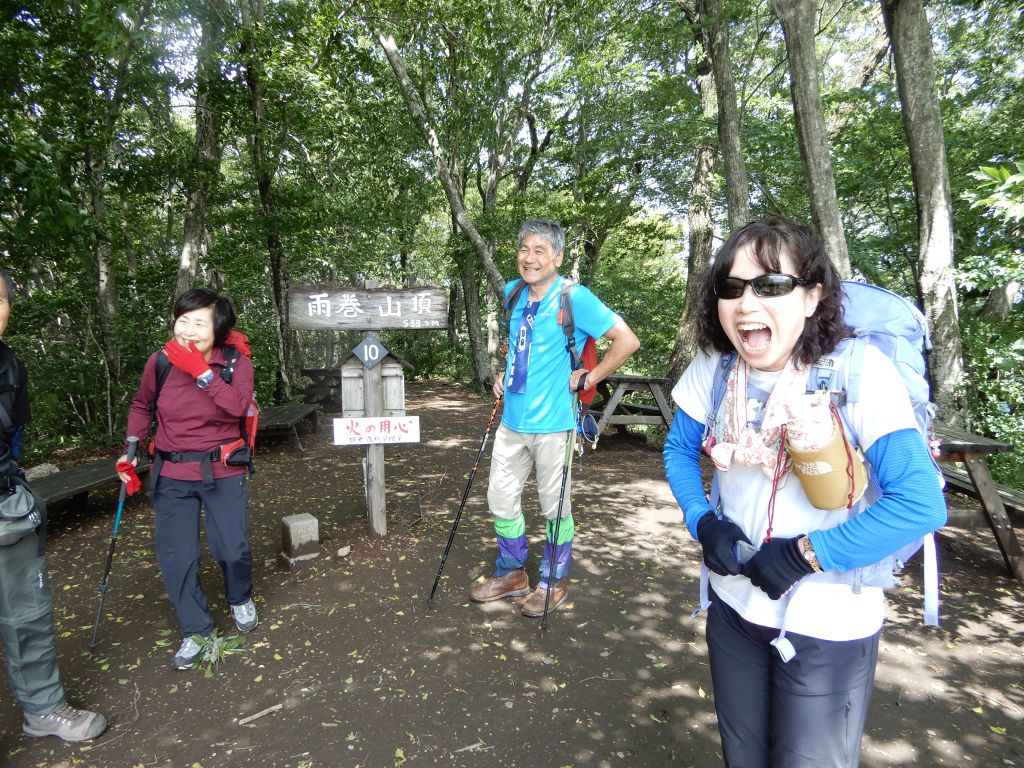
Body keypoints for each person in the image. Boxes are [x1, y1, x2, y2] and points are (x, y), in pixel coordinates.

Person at [663, 219, 947, 767]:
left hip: (830, 623)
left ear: (813, 295)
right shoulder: (716, 369)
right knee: (742, 757)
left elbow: (919, 502)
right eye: (732, 287)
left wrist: (803, 555)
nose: (747, 303)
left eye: (771, 285)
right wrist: (703, 521)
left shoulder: (860, 372)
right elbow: (679, 450)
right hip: (734, 606)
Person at [471, 219, 639, 616]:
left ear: (558, 257)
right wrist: (503, 373)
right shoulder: (513, 293)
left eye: (539, 251)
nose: (529, 258)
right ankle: (512, 572)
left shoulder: (574, 297)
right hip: (512, 421)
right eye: (524, 250)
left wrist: (591, 376)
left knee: (555, 507)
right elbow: (521, 348)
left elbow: (627, 340)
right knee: (501, 500)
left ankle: (553, 580)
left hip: (555, 424)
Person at [117, 288, 258, 671]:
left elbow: (237, 406)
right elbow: (141, 404)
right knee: (178, 556)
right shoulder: (160, 362)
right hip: (172, 471)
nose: (189, 330)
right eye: (183, 320)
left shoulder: (235, 363)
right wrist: (132, 445)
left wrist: (200, 371)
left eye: (200, 322)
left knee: (231, 548)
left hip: (224, 468)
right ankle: (195, 629)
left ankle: (239, 596)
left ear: (218, 327)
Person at [0, 270, 107, 741]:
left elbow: (14, 436)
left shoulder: (9, 366)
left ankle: (42, 708)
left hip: (5, 507)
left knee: (26, 614)